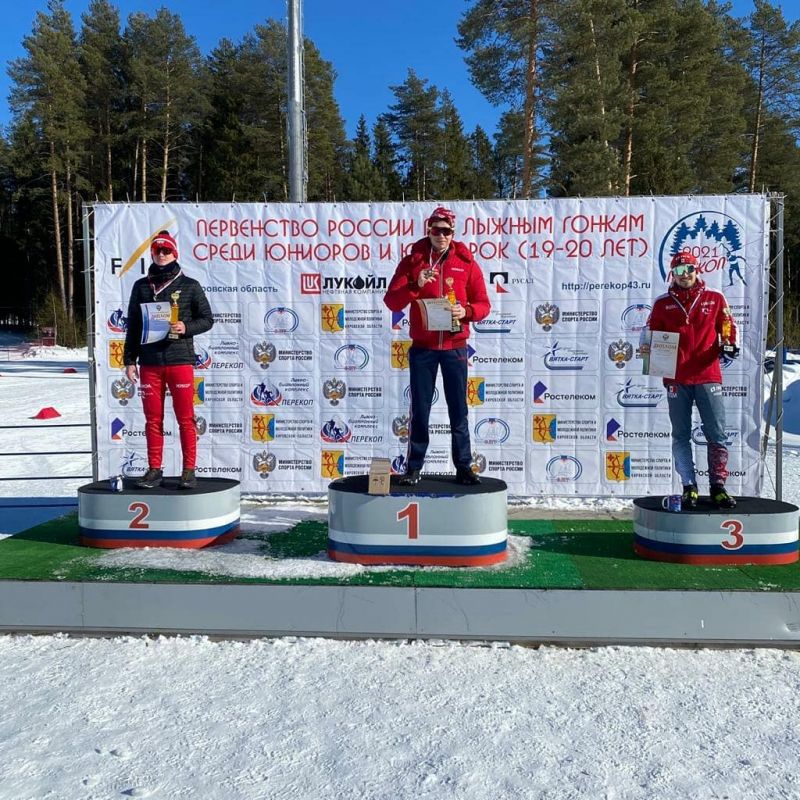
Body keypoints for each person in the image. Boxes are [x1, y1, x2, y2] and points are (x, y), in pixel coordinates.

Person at [384, 206, 490, 485]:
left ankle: (464, 467)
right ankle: (413, 467)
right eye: (436, 230)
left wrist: (465, 311)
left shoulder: (466, 262)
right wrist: (415, 285)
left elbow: (483, 304)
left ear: (453, 233)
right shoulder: (413, 262)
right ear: (428, 231)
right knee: (420, 410)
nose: (441, 235)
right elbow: (392, 301)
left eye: (446, 231)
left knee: (459, 410)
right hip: (423, 348)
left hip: (455, 347)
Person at [640, 251, 739, 509]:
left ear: (697, 270)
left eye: (689, 270)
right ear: (672, 274)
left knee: (716, 432)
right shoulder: (663, 303)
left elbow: (727, 324)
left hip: (707, 375)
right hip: (676, 377)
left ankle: (718, 487)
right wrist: (648, 349)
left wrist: (729, 343)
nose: (685, 275)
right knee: (681, 434)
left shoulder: (714, 297)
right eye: (679, 271)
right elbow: (650, 333)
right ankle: (689, 486)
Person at [123, 231, 213, 489]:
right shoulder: (141, 286)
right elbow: (133, 325)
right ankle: (154, 469)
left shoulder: (190, 285)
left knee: (185, 418)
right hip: (149, 362)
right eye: (157, 251)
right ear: (152, 254)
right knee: (152, 419)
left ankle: (189, 470)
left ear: (175, 253)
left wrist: (186, 327)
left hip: (179, 360)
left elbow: (207, 319)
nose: (162, 255)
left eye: (166, 250)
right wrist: (129, 360)